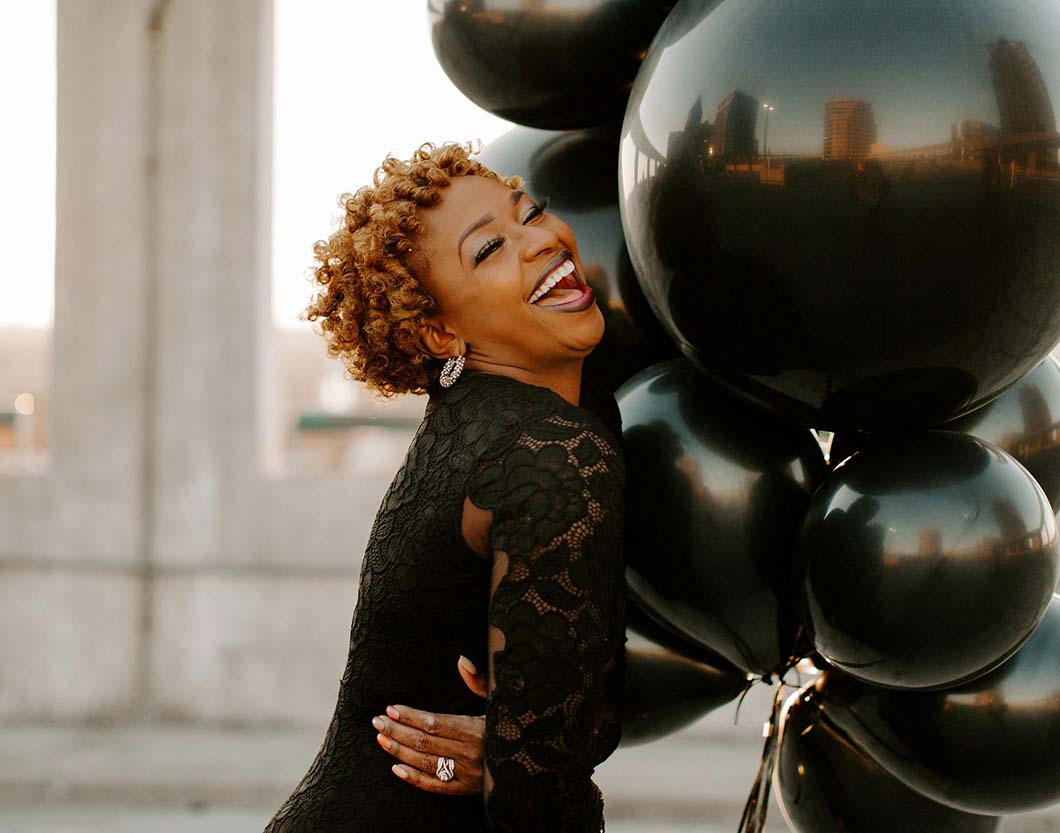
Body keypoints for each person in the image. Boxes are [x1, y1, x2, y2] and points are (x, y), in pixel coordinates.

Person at [262, 142, 628, 832]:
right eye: (489, 249)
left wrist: (522, 744)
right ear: (438, 330)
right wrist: (526, 760)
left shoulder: (491, 421)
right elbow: (539, 808)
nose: (543, 241)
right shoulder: (550, 453)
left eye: (532, 212)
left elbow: (586, 709)